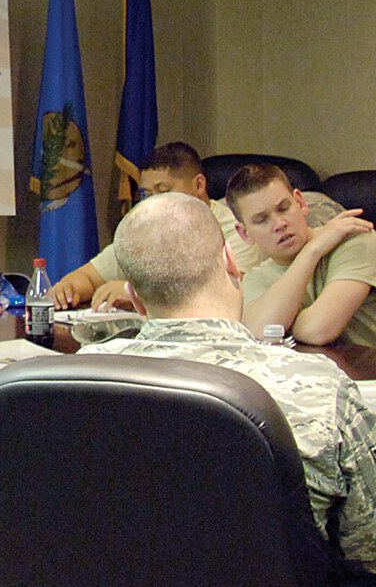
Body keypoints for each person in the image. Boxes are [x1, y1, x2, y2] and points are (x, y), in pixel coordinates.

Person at [81, 193, 376, 575]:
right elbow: (366, 548)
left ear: (135, 299)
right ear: (231, 263)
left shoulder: (75, 382)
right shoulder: (321, 388)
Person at [49, 141, 345, 309]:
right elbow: (87, 276)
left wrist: (138, 292)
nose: (153, 202)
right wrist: (67, 289)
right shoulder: (148, 226)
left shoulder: (236, 225)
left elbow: (236, 292)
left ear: (199, 185)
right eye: (146, 194)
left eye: (164, 190)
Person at [227, 164, 376, 346]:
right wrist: (312, 252)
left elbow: (318, 330)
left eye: (284, 208)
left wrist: (284, 324)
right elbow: (259, 332)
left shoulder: (355, 238)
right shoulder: (255, 279)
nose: (279, 224)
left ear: (300, 203)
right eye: (262, 220)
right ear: (245, 233)